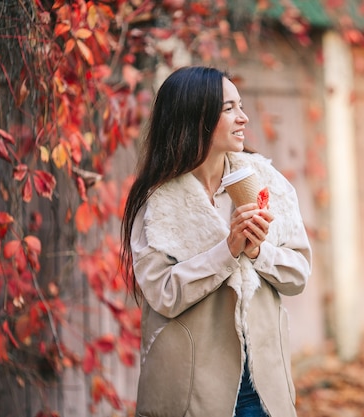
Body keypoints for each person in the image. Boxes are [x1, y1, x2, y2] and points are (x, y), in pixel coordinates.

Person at [120, 66, 312, 417]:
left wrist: (256, 250)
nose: (244, 117)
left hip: (262, 388)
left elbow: (298, 274)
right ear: (195, 118)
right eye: (229, 109)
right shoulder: (157, 202)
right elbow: (162, 293)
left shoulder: (266, 182)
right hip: (189, 393)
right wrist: (227, 250)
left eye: (240, 106)